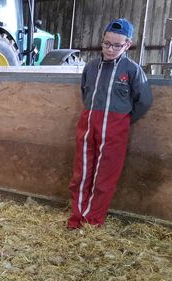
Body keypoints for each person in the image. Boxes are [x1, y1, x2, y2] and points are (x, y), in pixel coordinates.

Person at [67, 18, 152, 229]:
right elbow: (85, 92)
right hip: (88, 124)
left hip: (115, 128)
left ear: (127, 44)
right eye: (106, 43)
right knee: (82, 173)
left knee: (104, 176)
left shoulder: (132, 70)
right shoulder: (91, 67)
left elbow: (144, 101)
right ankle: (77, 218)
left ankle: (93, 220)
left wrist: (123, 121)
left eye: (117, 45)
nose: (110, 49)